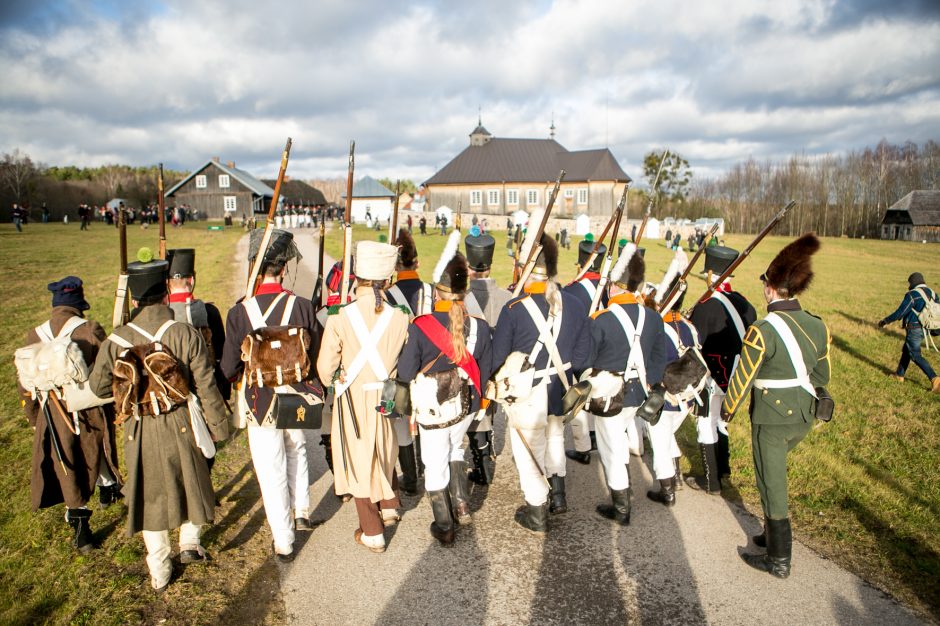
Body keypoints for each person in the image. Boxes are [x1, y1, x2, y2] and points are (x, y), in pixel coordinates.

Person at [89, 255, 230, 593]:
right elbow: (206, 385)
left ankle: (160, 569)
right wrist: (219, 427)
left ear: (134, 300)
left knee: (151, 497)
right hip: (183, 420)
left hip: (140, 429)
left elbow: (97, 387)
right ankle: (190, 543)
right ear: (166, 293)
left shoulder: (116, 340)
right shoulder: (184, 332)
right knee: (192, 483)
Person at [723, 233, 830, 579]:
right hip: (804, 414)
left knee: (772, 482)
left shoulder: (762, 330)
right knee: (773, 477)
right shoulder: (816, 323)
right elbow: (822, 373)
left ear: (770, 288)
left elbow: (742, 378)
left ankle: (779, 560)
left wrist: (727, 411)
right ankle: (769, 535)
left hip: (770, 418)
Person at [220, 230, 319, 563]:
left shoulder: (239, 313)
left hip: (259, 399)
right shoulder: (303, 306)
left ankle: (284, 540)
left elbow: (228, 366)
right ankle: (302, 508)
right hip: (296, 393)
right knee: (297, 446)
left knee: (270, 466)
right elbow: (315, 355)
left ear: (256, 267)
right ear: (283, 267)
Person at [491, 232, 590, 532]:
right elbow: (583, 355)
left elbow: (498, 358)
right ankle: (558, 496)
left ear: (525, 268)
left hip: (529, 391)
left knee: (528, 450)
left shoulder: (514, 308)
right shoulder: (573, 304)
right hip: (559, 385)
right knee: (556, 437)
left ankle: (537, 511)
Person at [16, 277, 121, 554]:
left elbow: (24, 385)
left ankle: (80, 522)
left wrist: (34, 416)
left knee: (68, 466)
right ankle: (102, 497)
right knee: (92, 453)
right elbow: (107, 370)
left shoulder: (34, 335)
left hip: (51, 412)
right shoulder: (89, 328)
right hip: (87, 408)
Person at [317, 241, 410, 553]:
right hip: (386, 393)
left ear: (357, 275)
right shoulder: (400, 316)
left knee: (358, 460)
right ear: (386, 279)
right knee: (384, 449)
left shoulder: (340, 316)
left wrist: (334, 381)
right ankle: (390, 503)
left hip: (353, 396)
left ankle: (372, 531)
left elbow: (325, 366)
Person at [398, 247, 492, 543]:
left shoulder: (421, 326)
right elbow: (485, 374)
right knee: (456, 449)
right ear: (464, 294)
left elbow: (405, 371)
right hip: (466, 408)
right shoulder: (480, 326)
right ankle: (462, 504)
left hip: (434, 409)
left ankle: (444, 525)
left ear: (436, 294)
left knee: (435, 464)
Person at [583, 244, 666, 524]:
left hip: (610, 396)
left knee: (610, 449)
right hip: (640, 394)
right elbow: (659, 357)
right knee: (619, 443)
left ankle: (621, 509)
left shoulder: (601, 319)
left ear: (614, 287)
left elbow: (586, 359)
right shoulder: (654, 317)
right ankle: (624, 491)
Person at [686, 246, 757, 493]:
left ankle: (711, 480)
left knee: (706, 422)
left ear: (709, 274)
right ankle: (723, 469)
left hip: (714, 376)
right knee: (721, 422)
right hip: (739, 378)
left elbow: (694, 344)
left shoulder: (706, 306)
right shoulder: (744, 303)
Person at [385, 228, 434, 494]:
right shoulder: (431, 291)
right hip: (429, 364)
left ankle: (412, 477)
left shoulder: (388, 295)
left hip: (401, 364)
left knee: (403, 422)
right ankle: (430, 466)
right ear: (417, 262)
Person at [646, 251, 698, 506]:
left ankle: (667, 491)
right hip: (687, 400)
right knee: (667, 437)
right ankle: (676, 475)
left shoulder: (657, 329)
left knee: (659, 443)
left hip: (665, 398)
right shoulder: (689, 326)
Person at [462, 226, 511, 484]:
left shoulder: (461, 299)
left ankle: (480, 466)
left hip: (470, 365)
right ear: (489, 266)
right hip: (497, 367)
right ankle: (484, 460)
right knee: (485, 412)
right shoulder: (507, 297)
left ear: (469, 267)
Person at [563, 234, 608, 466]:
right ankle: (597, 436)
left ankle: (583, 447)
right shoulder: (611, 287)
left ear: (581, 264)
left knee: (578, 395)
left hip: (581, 351)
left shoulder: (572, 290)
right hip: (607, 349)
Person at [165, 248, 230, 410]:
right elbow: (221, 356)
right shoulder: (209, 312)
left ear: (167, 283)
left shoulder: (161, 314)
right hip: (206, 391)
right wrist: (222, 393)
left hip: (169, 394)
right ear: (192, 280)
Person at [879, 272, 940, 392]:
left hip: (914, 329)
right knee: (907, 350)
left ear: (912, 282)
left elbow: (900, 313)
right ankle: (899, 375)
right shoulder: (933, 293)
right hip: (927, 328)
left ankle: (935, 379)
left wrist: (885, 321)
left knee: (915, 355)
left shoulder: (912, 295)